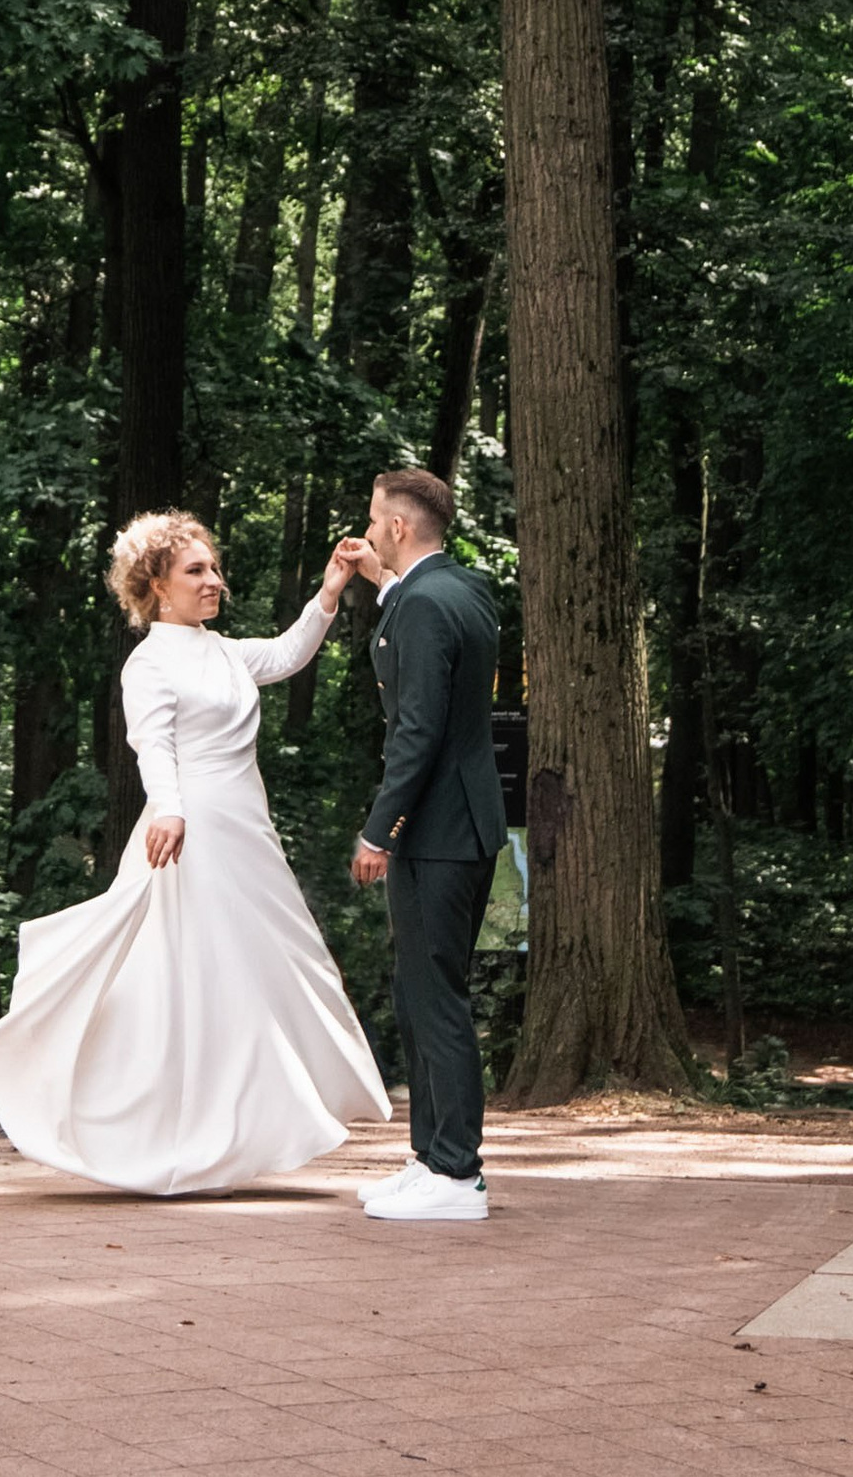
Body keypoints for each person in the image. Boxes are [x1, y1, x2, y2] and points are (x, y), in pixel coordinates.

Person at [0, 508, 391, 1195]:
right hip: (188, 831)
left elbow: (286, 655)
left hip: (245, 832)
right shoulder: (150, 662)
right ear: (157, 587)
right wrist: (168, 809)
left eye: (214, 569)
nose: (214, 581)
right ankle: (164, 1134)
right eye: (196, 571)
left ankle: (243, 1128)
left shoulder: (223, 652)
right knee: (187, 978)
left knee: (275, 967)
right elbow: (152, 742)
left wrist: (331, 588)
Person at [342, 464, 505, 1225]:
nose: (371, 529)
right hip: (465, 825)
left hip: (435, 831)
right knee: (421, 992)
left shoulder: (422, 608)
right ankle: (430, 1157)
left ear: (400, 527)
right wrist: (381, 582)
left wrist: (381, 827)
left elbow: (417, 729)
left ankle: (457, 1171)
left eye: (377, 521)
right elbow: (425, 626)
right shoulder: (463, 591)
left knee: (435, 998)